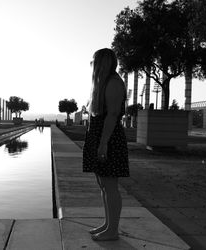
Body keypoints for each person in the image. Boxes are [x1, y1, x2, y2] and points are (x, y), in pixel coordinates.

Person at [83, 48, 130, 241]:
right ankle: (108, 224)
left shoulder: (113, 83)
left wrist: (103, 144)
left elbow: (111, 115)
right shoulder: (104, 83)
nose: (92, 65)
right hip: (100, 137)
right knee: (103, 184)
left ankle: (113, 230)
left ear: (102, 62)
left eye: (94, 61)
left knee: (110, 185)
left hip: (108, 138)